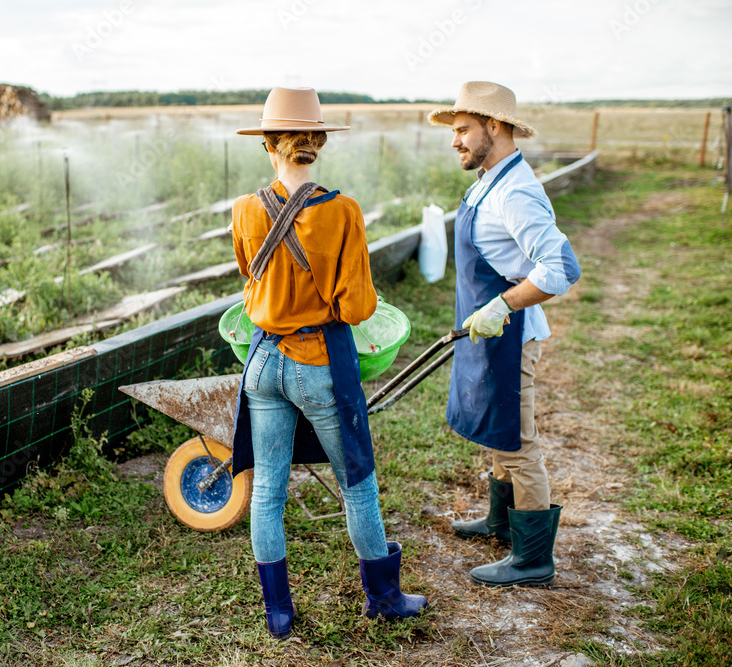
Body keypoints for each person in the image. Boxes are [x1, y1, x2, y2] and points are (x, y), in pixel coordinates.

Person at [229, 87, 426, 639]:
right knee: (357, 484)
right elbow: (357, 306)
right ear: (316, 142)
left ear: (268, 144)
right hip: (319, 363)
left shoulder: (246, 210)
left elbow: (250, 278)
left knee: (268, 491)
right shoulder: (341, 211)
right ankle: (384, 597)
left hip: (263, 361)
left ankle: (279, 612)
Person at [428, 81, 581, 587]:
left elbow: (561, 267)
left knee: (518, 443)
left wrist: (502, 305)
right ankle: (499, 521)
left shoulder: (516, 191)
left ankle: (533, 557)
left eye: (463, 130)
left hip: (511, 336)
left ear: (495, 126)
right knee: (497, 430)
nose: (455, 141)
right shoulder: (491, 178)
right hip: (488, 332)